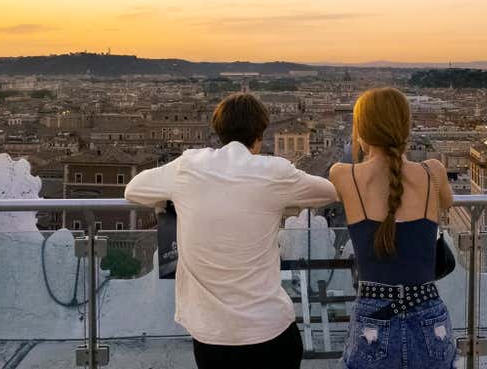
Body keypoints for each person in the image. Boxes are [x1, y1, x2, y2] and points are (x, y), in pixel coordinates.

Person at [125, 93, 337, 369]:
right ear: (260, 135)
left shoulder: (188, 166)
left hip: (212, 337)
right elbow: (328, 192)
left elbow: (133, 189)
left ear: (219, 132)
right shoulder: (275, 172)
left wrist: (175, 198)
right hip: (271, 331)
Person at [329, 88, 456, 369]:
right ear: (405, 127)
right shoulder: (433, 171)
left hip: (374, 319)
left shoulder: (343, 174)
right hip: (429, 313)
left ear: (362, 130)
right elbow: (448, 201)